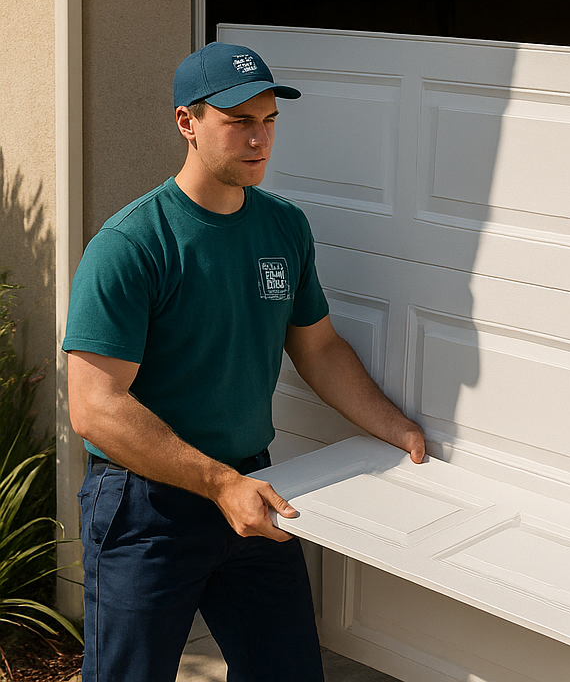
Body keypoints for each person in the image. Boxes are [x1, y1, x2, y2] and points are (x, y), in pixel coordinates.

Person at [63, 42, 427, 682]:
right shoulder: (132, 245)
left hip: (252, 489)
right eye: (237, 123)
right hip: (146, 505)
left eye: (268, 121)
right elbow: (95, 408)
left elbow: (319, 348)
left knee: (286, 671)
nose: (258, 139)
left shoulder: (284, 228)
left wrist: (396, 428)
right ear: (188, 123)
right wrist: (218, 483)